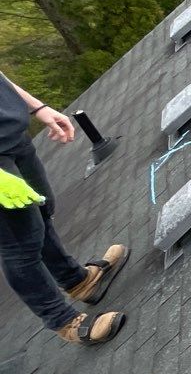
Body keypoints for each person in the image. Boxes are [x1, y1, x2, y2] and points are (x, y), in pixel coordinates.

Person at [0, 72, 127, 345]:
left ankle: (78, 281)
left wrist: (37, 107)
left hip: (11, 135)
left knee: (43, 211)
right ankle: (64, 321)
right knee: (19, 245)